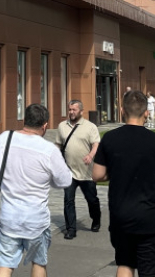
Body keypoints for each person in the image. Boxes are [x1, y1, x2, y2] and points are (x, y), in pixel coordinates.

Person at [93, 91, 155, 277]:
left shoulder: (109, 138)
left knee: (125, 263)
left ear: (122, 111)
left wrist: (119, 171)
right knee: (150, 270)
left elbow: (97, 175)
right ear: (146, 113)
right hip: (149, 218)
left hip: (120, 217)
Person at [0, 104, 72, 277]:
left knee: (5, 265)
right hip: (36, 219)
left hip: (9, 217)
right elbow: (65, 180)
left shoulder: (4, 139)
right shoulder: (49, 150)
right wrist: (47, 181)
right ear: (45, 125)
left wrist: (9, 179)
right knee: (39, 263)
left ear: (24, 120)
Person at [57, 100, 102, 239]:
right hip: (69, 171)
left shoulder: (90, 127)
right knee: (68, 200)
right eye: (70, 109)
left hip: (86, 172)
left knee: (92, 199)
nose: (71, 112)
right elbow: (58, 144)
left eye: (74, 110)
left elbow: (96, 144)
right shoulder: (62, 126)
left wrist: (90, 155)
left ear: (81, 111)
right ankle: (71, 229)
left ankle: (96, 219)